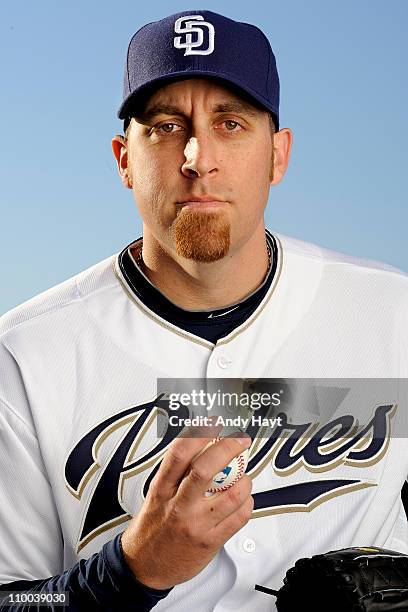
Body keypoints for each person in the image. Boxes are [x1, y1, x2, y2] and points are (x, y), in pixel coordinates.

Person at [0, 9, 407, 612]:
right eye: (166, 127)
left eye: (232, 123)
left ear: (278, 154)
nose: (198, 157)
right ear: (123, 159)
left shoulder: (392, 314)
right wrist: (130, 571)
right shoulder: (25, 355)